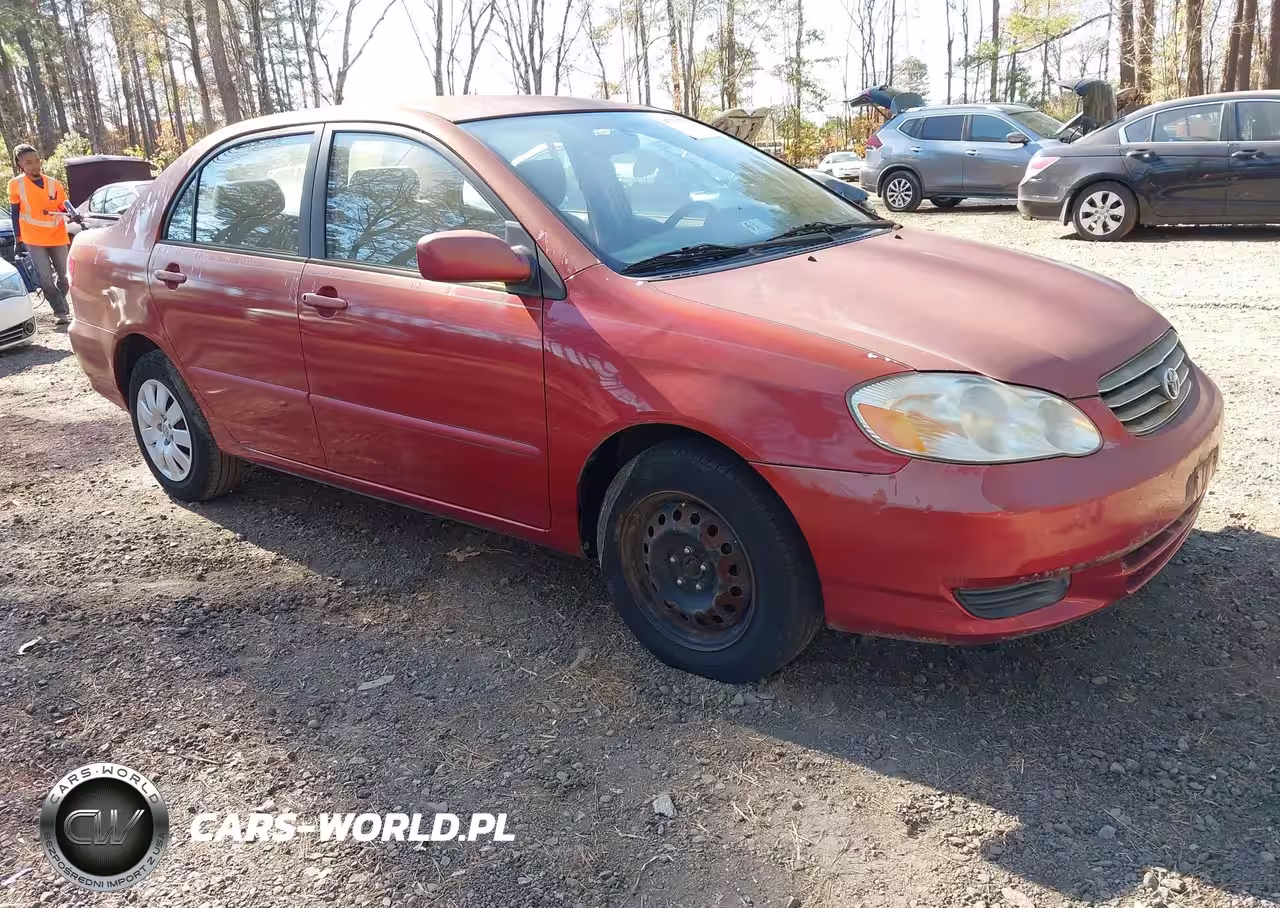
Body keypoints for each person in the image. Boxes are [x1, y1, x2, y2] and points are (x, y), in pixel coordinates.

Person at [9, 143, 79, 325]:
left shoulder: (54, 184)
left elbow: (64, 204)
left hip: (57, 236)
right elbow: (15, 213)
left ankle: (60, 301)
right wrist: (18, 239)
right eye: (29, 162)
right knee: (45, 279)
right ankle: (60, 312)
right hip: (33, 239)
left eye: (37, 161)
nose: (35, 166)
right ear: (20, 164)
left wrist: (73, 212)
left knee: (66, 277)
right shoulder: (15, 185)